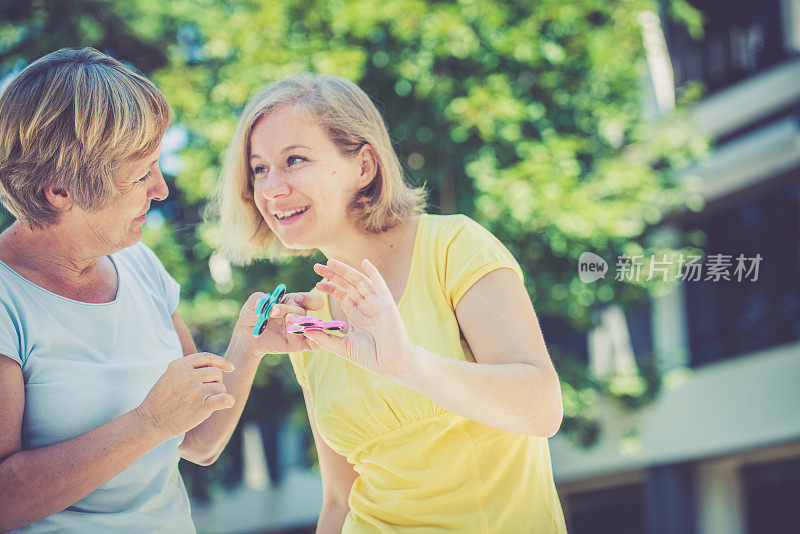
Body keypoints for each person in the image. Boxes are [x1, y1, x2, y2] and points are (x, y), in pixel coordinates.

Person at [217, 73, 568, 533]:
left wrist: (407, 365)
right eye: (259, 168)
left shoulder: (454, 246)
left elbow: (543, 410)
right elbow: (339, 500)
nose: (270, 188)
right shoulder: (311, 322)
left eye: (294, 160)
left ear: (364, 166)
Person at [0, 48, 319, 532]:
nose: (161, 189)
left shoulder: (140, 264)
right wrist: (146, 423)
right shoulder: (8, 302)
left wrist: (247, 345)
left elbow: (197, 441)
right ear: (60, 190)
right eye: (140, 174)